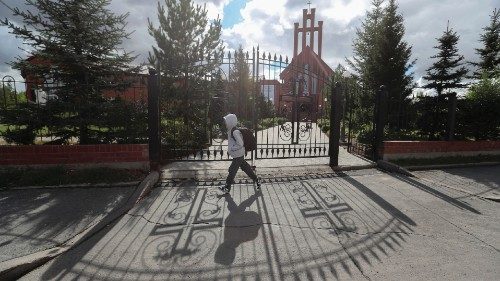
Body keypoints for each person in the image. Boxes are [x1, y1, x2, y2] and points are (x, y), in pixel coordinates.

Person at [219, 113, 260, 194]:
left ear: (230, 122)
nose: (225, 124)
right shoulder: (232, 130)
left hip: (238, 154)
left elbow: (240, 144)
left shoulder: (235, 132)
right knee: (246, 168)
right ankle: (256, 179)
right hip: (239, 154)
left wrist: (232, 148)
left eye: (226, 122)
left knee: (232, 170)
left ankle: (227, 187)